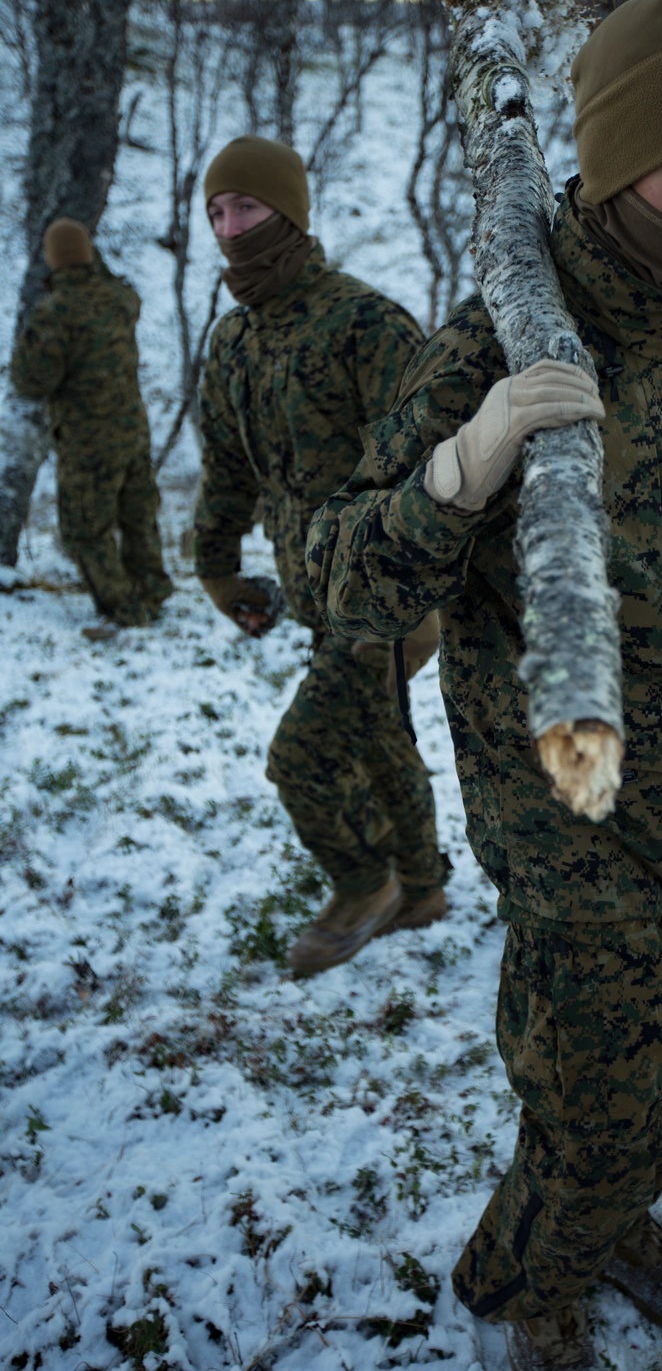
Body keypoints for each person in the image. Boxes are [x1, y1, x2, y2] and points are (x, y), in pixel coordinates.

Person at [306, 0, 662, 1368]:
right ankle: (524, 1293)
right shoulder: (500, 341)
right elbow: (341, 580)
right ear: (620, 160)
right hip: (566, 832)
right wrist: (465, 466)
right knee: (596, 1108)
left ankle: (609, 1224)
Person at [195, 134, 449, 975]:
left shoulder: (365, 324)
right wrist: (218, 566)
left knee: (300, 758)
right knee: (378, 738)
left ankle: (362, 884)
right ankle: (420, 888)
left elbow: (434, 467)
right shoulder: (234, 341)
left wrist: (401, 592)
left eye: (249, 207)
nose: (232, 227)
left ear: (291, 214)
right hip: (314, 595)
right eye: (218, 212)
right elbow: (228, 467)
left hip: (387, 597)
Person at [10, 219, 173, 630]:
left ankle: (123, 608)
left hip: (87, 439)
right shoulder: (121, 299)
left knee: (85, 528)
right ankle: (152, 589)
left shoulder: (55, 313)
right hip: (133, 429)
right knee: (137, 513)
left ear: (52, 260)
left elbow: (32, 381)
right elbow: (115, 286)